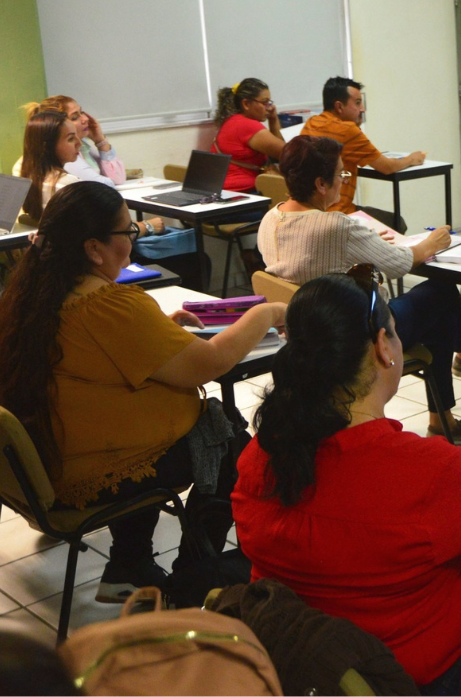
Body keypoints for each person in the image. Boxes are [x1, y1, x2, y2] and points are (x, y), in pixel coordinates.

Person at [233, 273, 461, 694]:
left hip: (313, 658)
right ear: (382, 348)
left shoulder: (261, 456)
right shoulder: (426, 469)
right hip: (416, 674)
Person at [0, 181, 285, 601]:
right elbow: (210, 364)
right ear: (94, 248)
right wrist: (266, 312)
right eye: (126, 233)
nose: (132, 243)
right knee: (225, 442)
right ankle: (193, 582)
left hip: (46, 465)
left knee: (159, 430)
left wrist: (157, 335)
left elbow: (95, 362)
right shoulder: (108, 306)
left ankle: (129, 566)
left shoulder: (26, 296)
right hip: (87, 472)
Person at [257, 135, 461, 446]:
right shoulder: (336, 227)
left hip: (305, 334)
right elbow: (400, 263)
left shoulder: (271, 218)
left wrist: (365, 241)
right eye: (341, 174)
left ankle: (457, 374)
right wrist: (430, 244)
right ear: (320, 184)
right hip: (359, 335)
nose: (344, 180)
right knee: (442, 293)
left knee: (436, 314)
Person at [299, 75, 426, 230]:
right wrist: (411, 159)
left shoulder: (312, 122)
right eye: (358, 103)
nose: (362, 109)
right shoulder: (347, 130)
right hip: (336, 211)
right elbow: (387, 167)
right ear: (339, 106)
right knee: (397, 222)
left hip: (308, 211)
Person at [16, 111, 163, 238]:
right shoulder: (68, 184)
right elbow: (106, 235)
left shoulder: (26, 177)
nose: (79, 144)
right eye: (71, 139)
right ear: (47, 147)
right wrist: (147, 226)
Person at [18, 95, 126, 184]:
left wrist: (101, 141)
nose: (86, 119)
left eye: (81, 112)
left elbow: (118, 179)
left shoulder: (82, 144)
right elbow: (104, 186)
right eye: (75, 117)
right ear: (61, 125)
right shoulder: (65, 155)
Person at [211, 77, 286, 193]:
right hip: (242, 193)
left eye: (269, 103)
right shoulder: (247, 125)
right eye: (264, 102)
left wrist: (273, 118)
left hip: (228, 190)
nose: (270, 107)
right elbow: (286, 153)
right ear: (246, 104)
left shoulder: (234, 120)